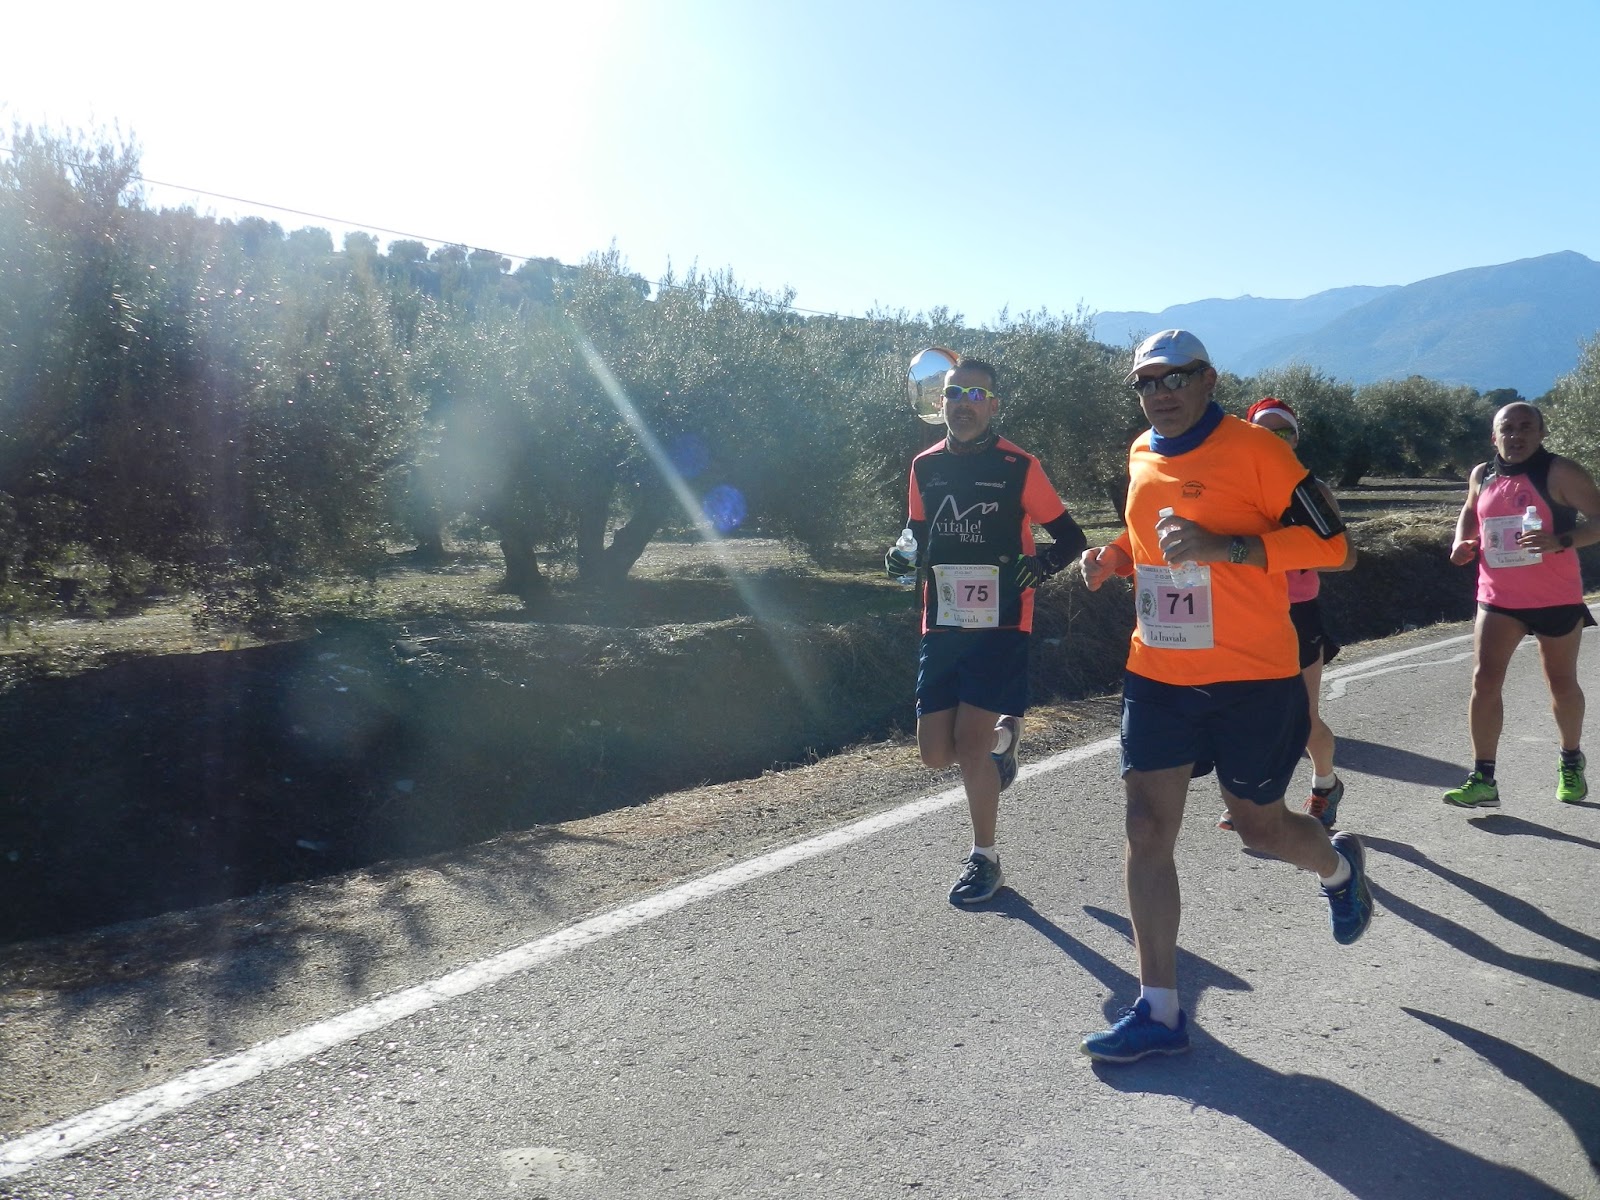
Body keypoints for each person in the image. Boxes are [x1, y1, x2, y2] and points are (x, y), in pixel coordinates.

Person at [1076, 330, 1372, 1064]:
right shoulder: (1141, 451)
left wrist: (1228, 549)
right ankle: (1160, 1010)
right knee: (1147, 827)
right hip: (1158, 673)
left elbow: (1336, 547)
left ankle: (1338, 868)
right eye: (1147, 382)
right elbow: (1147, 538)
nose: (1161, 393)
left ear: (1208, 379)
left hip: (1253, 681)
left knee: (1259, 830)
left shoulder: (1259, 451)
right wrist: (1114, 558)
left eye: (1176, 377)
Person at [886, 355, 1087, 904]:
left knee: (969, 745)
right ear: (940, 403)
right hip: (942, 620)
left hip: (1002, 621)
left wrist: (1038, 568)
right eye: (955, 394)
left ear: (992, 406)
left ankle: (985, 858)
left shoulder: (1019, 466)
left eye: (976, 396)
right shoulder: (924, 466)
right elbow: (915, 536)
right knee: (934, 753)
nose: (964, 405)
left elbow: (1072, 539)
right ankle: (1004, 740)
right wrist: (900, 559)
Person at [1444, 401, 1600, 808]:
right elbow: (1470, 511)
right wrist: (1462, 541)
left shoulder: (1560, 472)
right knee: (1484, 681)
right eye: (1507, 428)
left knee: (1560, 683)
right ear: (1494, 436)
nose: (1516, 435)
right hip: (1498, 596)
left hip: (1555, 596)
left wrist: (1559, 541)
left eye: (1526, 427)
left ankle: (1570, 759)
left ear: (1541, 433)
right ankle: (1483, 778)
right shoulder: (1482, 474)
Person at [1216, 397, 1358, 832]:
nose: (1274, 439)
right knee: (1245, 713)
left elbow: (1345, 558)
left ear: (1295, 439)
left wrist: (1285, 552)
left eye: (1284, 432)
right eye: (1264, 431)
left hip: (1297, 613)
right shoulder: (1238, 491)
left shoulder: (1313, 492)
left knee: (1302, 719)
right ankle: (1251, 800)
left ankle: (1325, 785)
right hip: (1246, 610)